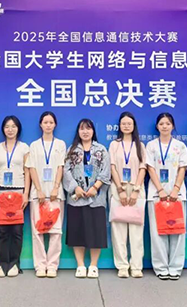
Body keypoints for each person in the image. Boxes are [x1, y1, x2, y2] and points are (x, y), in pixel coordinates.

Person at [145, 113, 187, 280]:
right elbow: (150, 168)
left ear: (173, 126)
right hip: (156, 195)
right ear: (157, 126)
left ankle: (175, 267)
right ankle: (161, 267)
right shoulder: (151, 145)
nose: (164, 126)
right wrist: (160, 190)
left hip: (177, 195)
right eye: (161, 123)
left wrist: (175, 189)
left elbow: (182, 168)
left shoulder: (180, 146)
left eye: (168, 123)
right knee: (158, 232)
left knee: (177, 232)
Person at [63, 118, 110, 279]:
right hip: (77, 198)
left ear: (93, 131)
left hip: (96, 198)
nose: (85, 132)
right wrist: (75, 187)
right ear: (78, 131)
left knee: (96, 232)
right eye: (82, 129)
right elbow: (66, 171)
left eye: (88, 128)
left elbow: (106, 171)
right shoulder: (72, 150)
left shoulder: (101, 149)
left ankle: (93, 265)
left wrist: (95, 187)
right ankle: (81, 265)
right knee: (77, 232)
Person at [26, 112, 66, 278]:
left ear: (55, 124)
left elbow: (60, 167)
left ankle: (52, 265)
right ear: (40, 125)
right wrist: (39, 189)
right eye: (45, 122)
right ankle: (40, 265)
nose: (48, 125)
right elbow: (32, 168)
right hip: (38, 194)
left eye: (51, 122)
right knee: (38, 231)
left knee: (55, 231)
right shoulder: (34, 145)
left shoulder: (60, 144)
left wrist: (55, 188)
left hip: (56, 194)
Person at [0, 115, 30, 278]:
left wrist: (26, 193)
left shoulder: (24, 148)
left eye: (13, 126)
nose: (10, 129)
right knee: (2, 231)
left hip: (18, 192)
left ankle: (14, 264)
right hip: (0, 191)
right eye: (7, 126)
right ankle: (2, 264)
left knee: (17, 231)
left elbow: (27, 172)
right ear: (3, 129)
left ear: (18, 129)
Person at [109, 112, 147, 279]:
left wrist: (136, 189)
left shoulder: (140, 145)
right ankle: (122, 266)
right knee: (118, 231)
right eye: (123, 123)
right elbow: (112, 167)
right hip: (119, 189)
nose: (126, 126)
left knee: (137, 231)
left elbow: (143, 168)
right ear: (119, 126)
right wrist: (120, 189)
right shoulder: (114, 145)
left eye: (129, 123)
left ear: (133, 126)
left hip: (136, 190)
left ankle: (136, 266)